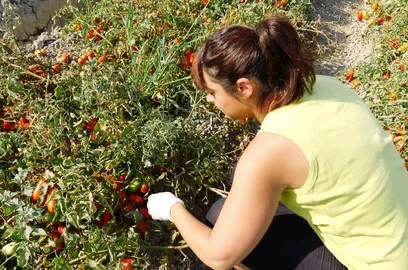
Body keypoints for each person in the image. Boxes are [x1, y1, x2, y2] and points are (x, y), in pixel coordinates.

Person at [147, 13, 408, 270]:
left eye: (212, 92)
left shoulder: (271, 151)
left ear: (243, 88)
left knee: (222, 227)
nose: (209, 101)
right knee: (224, 211)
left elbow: (219, 257)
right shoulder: (327, 86)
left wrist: (172, 208)